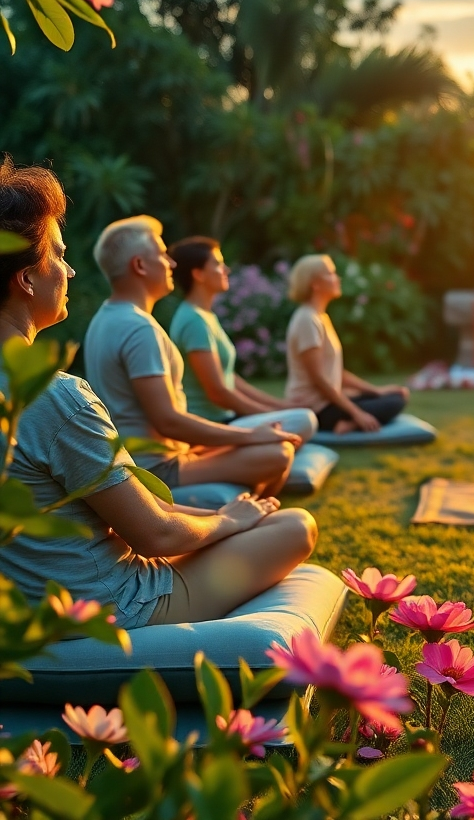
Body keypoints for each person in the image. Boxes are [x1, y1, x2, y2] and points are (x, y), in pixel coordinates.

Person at [0, 158, 317, 627]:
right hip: (111, 606)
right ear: (26, 279)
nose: (69, 272)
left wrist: (223, 515)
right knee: (296, 526)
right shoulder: (54, 397)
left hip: (31, 604)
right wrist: (230, 521)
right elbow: (156, 536)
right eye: (59, 256)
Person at [84, 217, 305, 497]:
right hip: (156, 468)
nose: (172, 264)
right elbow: (169, 421)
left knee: (274, 443)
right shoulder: (138, 328)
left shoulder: (104, 318)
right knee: (277, 454)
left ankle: (246, 511)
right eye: (163, 255)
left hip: (162, 455)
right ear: (140, 265)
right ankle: (248, 520)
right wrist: (251, 436)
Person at [167, 235, 317, 437]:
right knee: (304, 420)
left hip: (227, 419)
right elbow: (218, 393)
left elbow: (229, 379)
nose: (226, 270)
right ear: (198, 274)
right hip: (213, 425)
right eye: (218, 264)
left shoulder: (204, 316)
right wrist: (273, 415)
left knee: (298, 417)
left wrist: (279, 406)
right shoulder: (193, 321)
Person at [284, 254, 408, 434]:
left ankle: (346, 421)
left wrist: (376, 391)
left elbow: (335, 373)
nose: (337, 278)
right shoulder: (307, 320)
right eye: (330, 273)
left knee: (396, 396)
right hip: (315, 409)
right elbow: (319, 380)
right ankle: (348, 424)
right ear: (315, 284)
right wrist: (356, 413)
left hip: (328, 402)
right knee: (395, 402)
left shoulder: (320, 317)